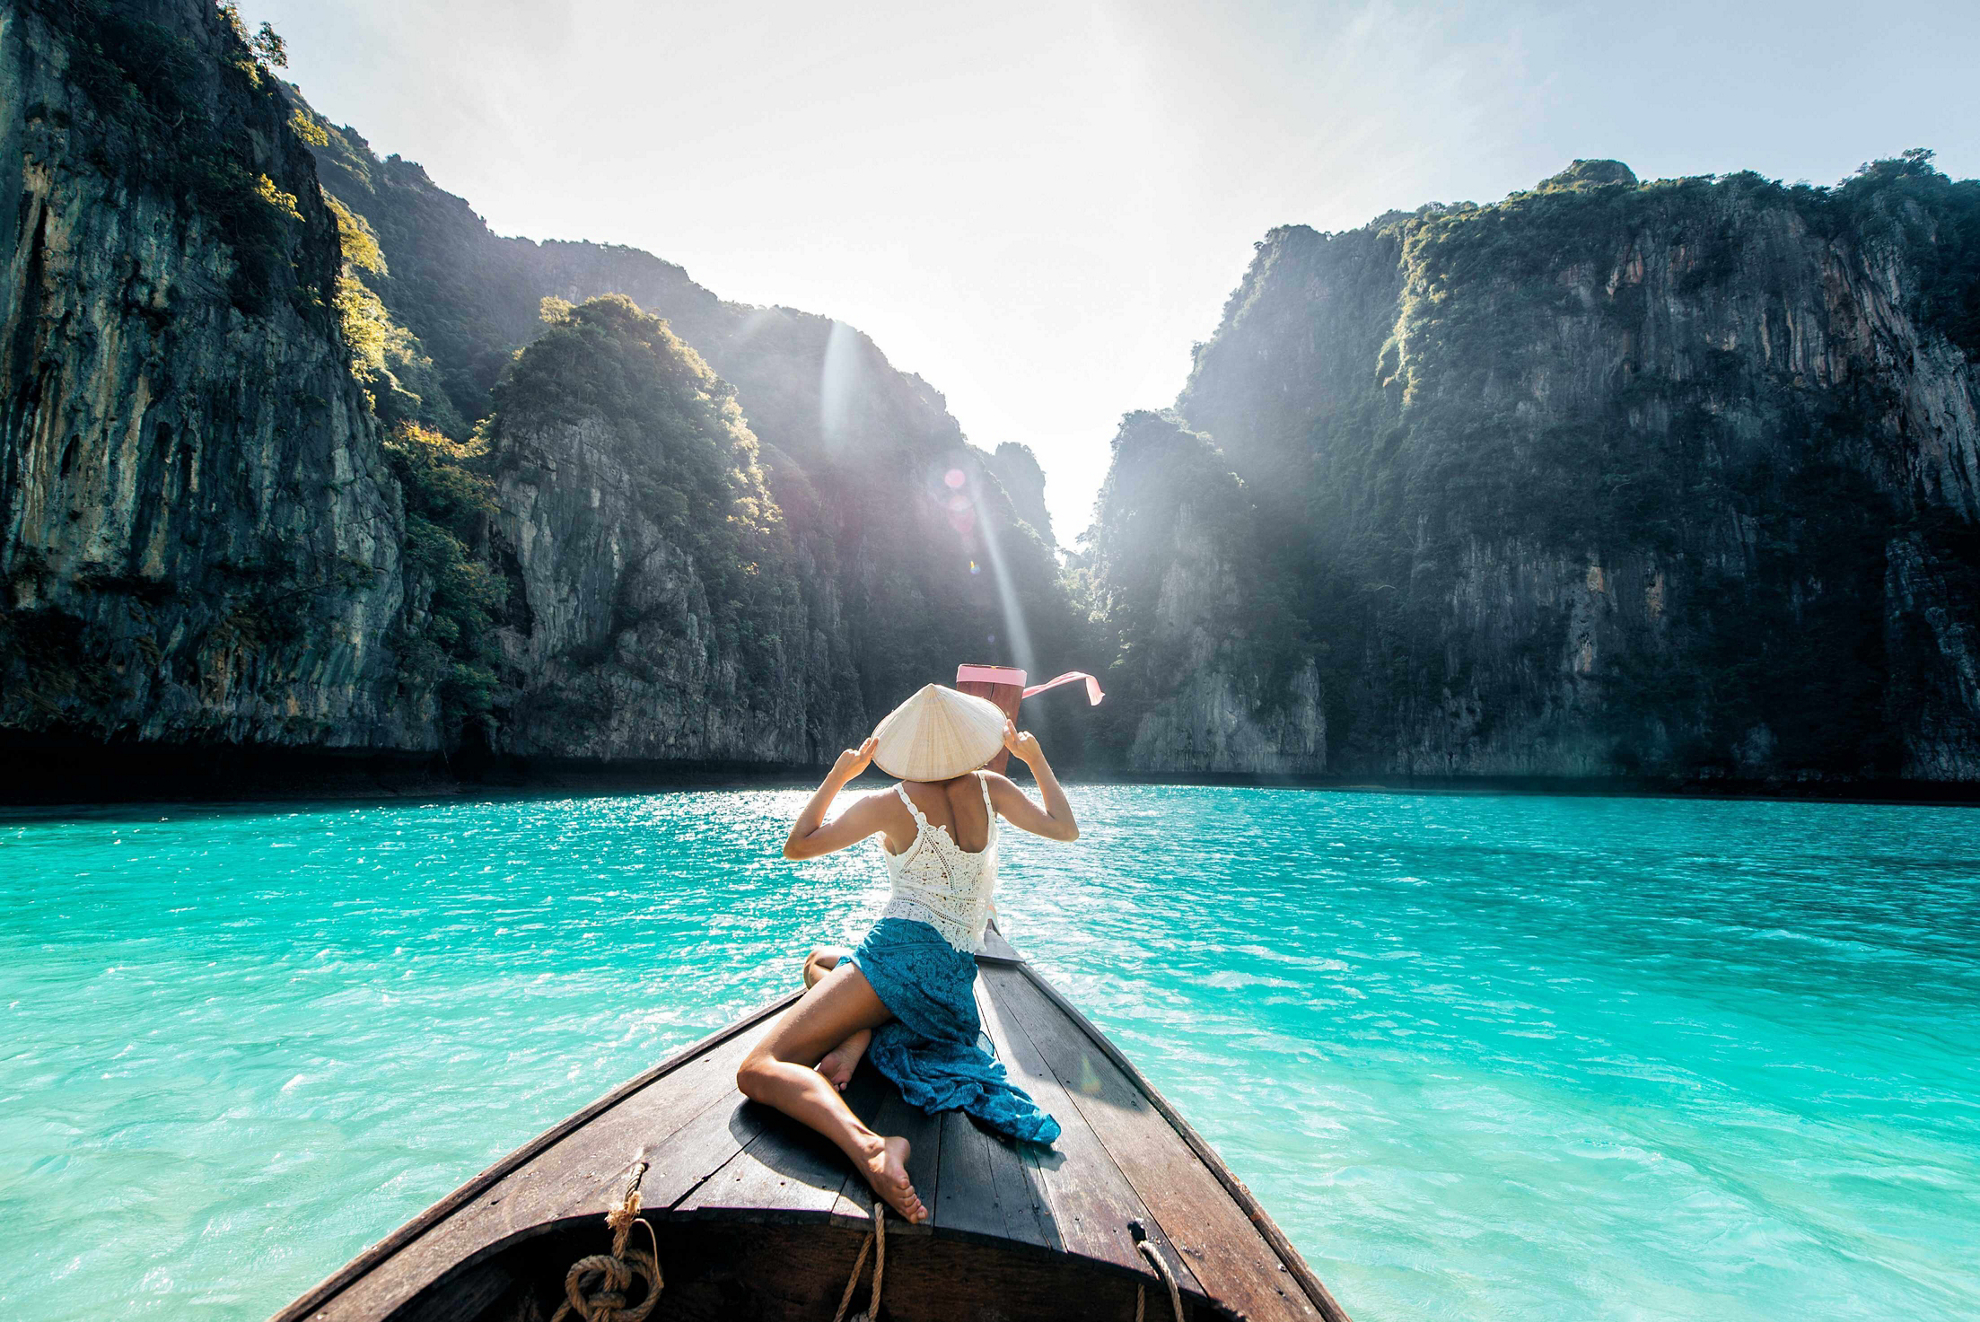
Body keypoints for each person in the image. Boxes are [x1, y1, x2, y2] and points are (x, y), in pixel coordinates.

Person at [735, 683, 1079, 1223]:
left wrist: (840, 774)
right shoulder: (993, 788)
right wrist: (1033, 759)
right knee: (819, 961)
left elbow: (797, 845)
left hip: (898, 956)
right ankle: (861, 1033)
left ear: (908, 747)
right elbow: (1066, 829)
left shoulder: (890, 804)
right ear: (966, 739)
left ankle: (872, 1147)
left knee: (758, 1069)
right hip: (952, 984)